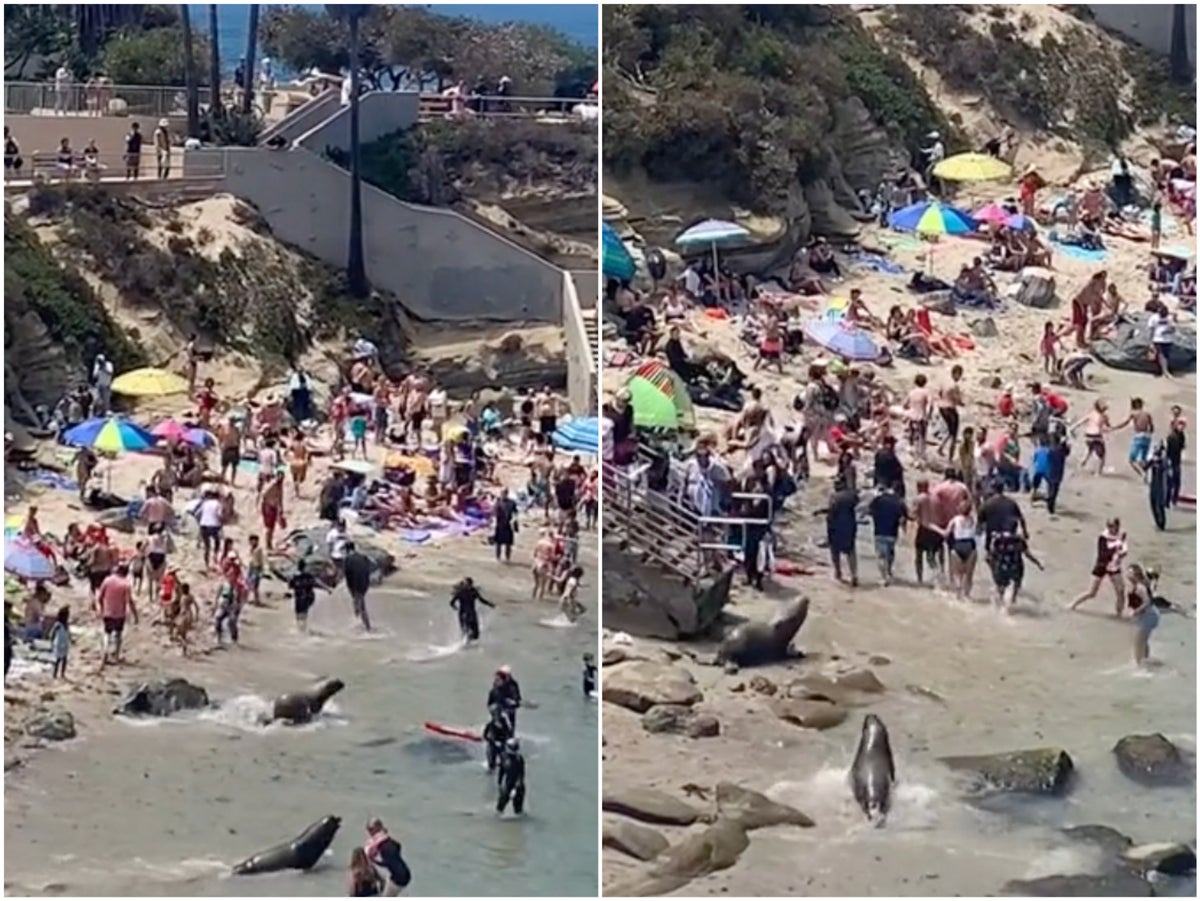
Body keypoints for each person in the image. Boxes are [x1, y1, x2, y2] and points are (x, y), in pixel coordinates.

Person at [1069, 518, 1128, 614]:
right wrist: (1117, 548)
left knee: (1120, 591)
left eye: (1114, 526)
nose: (1113, 529)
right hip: (1102, 565)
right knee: (1092, 592)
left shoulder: (1121, 534)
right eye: (1110, 527)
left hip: (1114, 566)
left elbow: (1123, 547)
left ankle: (1119, 613)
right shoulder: (1103, 537)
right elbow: (1104, 554)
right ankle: (1073, 604)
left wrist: (1122, 552)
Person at [988, 529, 1043, 612]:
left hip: (1002, 567)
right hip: (1016, 568)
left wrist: (992, 569)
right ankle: (1012, 601)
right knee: (1016, 585)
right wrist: (1038, 563)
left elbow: (991, 556)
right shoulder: (1019, 540)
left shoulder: (998, 539)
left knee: (1001, 589)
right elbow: (1027, 554)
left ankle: (1000, 606)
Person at [96, 563, 139, 667]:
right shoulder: (126, 584)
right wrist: (135, 615)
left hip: (108, 612)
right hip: (120, 614)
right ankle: (116, 656)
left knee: (107, 633)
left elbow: (100, 597)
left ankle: (105, 652)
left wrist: (101, 609)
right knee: (118, 635)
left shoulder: (107, 580)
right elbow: (129, 601)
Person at [866, 483, 907, 585]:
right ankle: (888, 571)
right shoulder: (899, 501)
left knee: (881, 556)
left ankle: (884, 577)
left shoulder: (878, 499)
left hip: (879, 531)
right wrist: (904, 530)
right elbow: (903, 518)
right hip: (892, 533)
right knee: (890, 553)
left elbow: (869, 511)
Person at [822, 475, 859, 586]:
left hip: (835, 527)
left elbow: (831, 512)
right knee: (851, 551)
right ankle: (854, 575)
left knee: (835, 551)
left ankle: (838, 572)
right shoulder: (852, 496)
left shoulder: (834, 497)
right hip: (850, 526)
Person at [1125, 564, 1161, 667]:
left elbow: (1147, 602)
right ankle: (1145, 659)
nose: (1127, 574)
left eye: (1130, 572)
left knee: (1138, 642)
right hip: (1148, 615)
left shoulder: (1140, 587)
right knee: (1143, 641)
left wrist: (1135, 612)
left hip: (1149, 616)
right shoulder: (1138, 584)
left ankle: (1138, 666)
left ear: (1136, 575)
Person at [364, 819, 411, 897]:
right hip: (404, 873)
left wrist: (375, 861)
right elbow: (398, 846)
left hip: (398, 877)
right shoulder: (389, 841)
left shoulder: (382, 846)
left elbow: (387, 863)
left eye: (370, 830)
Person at [450, 576, 494, 642]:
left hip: (464, 613)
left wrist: (455, 607)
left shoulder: (461, 592)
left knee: (466, 631)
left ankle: (465, 644)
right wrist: (490, 604)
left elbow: (451, 603)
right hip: (470, 613)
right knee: (473, 632)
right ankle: (469, 644)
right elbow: (481, 600)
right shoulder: (472, 591)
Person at [343, 541, 374, 631]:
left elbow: (347, 575)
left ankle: (368, 628)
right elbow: (370, 566)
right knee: (357, 602)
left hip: (356, 584)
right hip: (365, 583)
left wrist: (350, 589)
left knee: (361, 605)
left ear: (347, 550)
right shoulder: (362, 557)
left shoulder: (347, 559)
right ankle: (358, 621)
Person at [496, 737, 527, 815]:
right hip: (507, 784)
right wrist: (499, 783)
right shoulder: (503, 756)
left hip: (518, 786)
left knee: (518, 811)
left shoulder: (519, 759)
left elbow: (521, 774)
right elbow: (501, 770)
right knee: (499, 807)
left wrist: (516, 788)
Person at [487, 665, 522, 729]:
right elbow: (492, 699)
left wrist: (513, 701)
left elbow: (517, 698)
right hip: (498, 708)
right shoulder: (496, 684)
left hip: (509, 709)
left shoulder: (513, 685)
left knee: (509, 723)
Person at [288, 559, 319, 631]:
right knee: (305, 613)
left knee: (298, 614)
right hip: (308, 596)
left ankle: (300, 628)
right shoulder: (309, 575)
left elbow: (290, 586)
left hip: (298, 597)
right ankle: (304, 628)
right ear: (305, 567)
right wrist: (327, 589)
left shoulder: (295, 576)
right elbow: (315, 583)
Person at [482, 703, 513, 772]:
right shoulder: (490, 724)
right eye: (494, 714)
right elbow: (485, 736)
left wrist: (505, 740)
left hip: (502, 745)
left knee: (504, 763)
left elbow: (508, 733)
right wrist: (493, 741)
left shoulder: (504, 723)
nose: (496, 715)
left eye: (497, 713)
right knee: (491, 764)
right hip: (492, 746)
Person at [492, 488, 519, 562]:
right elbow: (494, 514)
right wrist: (493, 524)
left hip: (508, 524)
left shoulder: (512, 503)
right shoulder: (498, 502)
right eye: (502, 493)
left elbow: (515, 513)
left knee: (508, 544)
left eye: (504, 493)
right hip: (499, 525)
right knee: (498, 543)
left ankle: (508, 559)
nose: (503, 494)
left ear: (507, 494)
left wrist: (514, 521)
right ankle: (498, 558)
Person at [48, 606, 71, 679]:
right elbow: (52, 633)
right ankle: (55, 674)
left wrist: (70, 639)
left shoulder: (66, 624)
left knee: (64, 659)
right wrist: (51, 641)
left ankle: (62, 673)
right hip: (58, 644)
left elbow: (68, 633)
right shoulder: (58, 624)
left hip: (65, 643)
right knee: (58, 659)